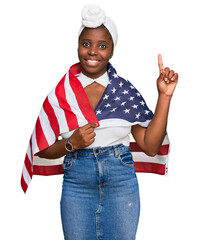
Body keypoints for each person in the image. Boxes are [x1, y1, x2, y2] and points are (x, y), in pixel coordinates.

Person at [23, 4, 178, 240]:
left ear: (112, 51)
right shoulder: (62, 94)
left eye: (102, 46)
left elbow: (150, 146)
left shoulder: (124, 92)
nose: (93, 51)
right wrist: (71, 144)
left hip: (121, 183)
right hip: (77, 184)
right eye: (86, 44)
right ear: (77, 47)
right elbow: (41, 149)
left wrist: (164, 96)